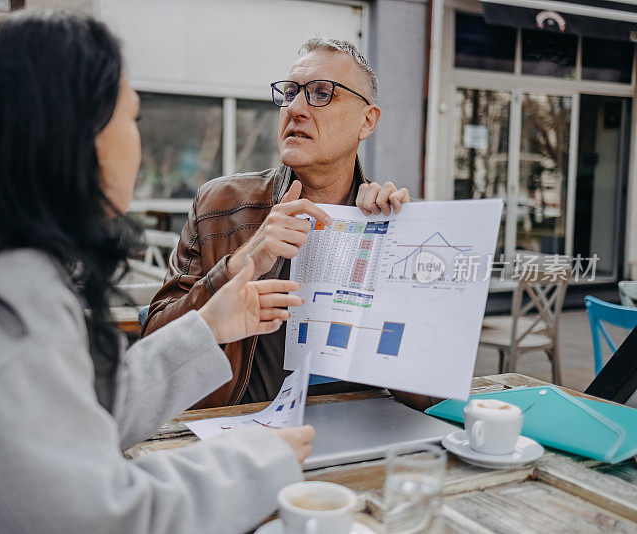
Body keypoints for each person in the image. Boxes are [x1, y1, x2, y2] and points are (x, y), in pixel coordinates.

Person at [0, 11, 315, 533]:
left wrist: (209, 329)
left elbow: (64, 416)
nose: (138, 139)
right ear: (79, 133)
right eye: (131, 118)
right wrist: (260, 461)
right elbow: (97, 518)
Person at [143, 39, 433, 410]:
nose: (295, 108)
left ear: (367, 120)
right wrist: (241, 264)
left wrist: (397, 249)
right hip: (242, 432)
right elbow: (153, 345)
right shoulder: (220, 205)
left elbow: (430, 394)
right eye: (291, 92)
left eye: (321, 93)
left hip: (364, 435)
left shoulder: (390, 223)